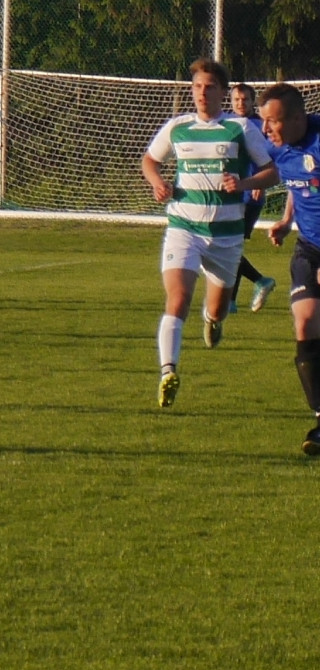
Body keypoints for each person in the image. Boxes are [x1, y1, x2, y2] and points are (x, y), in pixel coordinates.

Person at [141, 58, 277, 409]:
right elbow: (150, 161)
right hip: (184, 227)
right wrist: (158, 183)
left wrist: (243, 183)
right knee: (177, 299)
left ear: (222, 91)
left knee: (216, 310)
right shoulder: (178, 127)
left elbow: (271, 172)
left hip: (227, 236)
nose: (203, 93)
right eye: (198, 86)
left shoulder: (240, 128)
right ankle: (168, 371)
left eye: (210, 87)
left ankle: (212, 320)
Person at [258, 83, 320, 454]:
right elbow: (299, 184)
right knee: (305, 321)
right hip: (309, 247)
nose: (267, 130)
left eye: (274, 122)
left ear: (298, 118)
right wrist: (284, 220)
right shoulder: (276, 146)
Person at [228, 83, 277, 314]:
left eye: (245, 100)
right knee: (230, 246)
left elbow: (269, 157)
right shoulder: (226, 123)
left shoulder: (259, 125)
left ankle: (236, 296)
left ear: (252, 101)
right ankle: (247, 290)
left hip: (249, 196)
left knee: (232, 246)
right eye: (237, 99)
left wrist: (259, 181)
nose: (240, 104)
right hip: (228, 196)